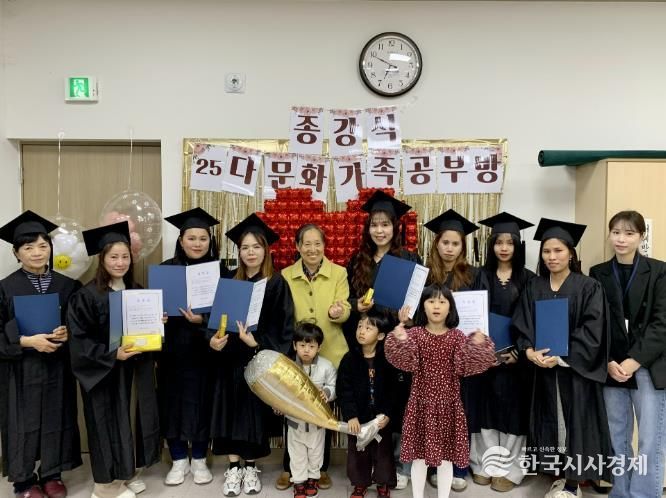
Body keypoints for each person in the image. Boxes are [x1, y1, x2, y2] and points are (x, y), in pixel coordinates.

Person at [512, 218, 613, 498]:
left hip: (575, 373)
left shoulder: (588, 287)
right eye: (546, 251)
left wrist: (562, 357)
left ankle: (572, 484)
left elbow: (593, 330)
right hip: (542, 371)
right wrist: (528, 351)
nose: (552, 256)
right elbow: (522, 325)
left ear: (571, 253)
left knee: (574, 424)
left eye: (558, 250)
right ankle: (560, 477)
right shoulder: (534, 286)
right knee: (552, 424)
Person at [68, 221, 161, 498]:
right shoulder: (87, 295)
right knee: (107, 421)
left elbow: (146, 334)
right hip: (105, 371)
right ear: (102, 259)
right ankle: (105, 486)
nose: (120, 262)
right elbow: (79, 341)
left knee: (130, 418)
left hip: (134, 368)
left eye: (125, 256)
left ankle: (127, 473)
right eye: (113, 257)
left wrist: (156, 323)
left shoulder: (137, 290)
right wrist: (112, 354)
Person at [209, 213, 295, 497]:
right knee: (229, 412)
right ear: (239, 251)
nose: (250, 252)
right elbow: (214, 318)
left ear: (265, 249)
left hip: (257, 359)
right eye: (245, 247)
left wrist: (256, 342)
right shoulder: (228, 280)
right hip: (228, 359)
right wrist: (214, 339)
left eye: (256, 246)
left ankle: (250, 466)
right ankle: (233, 468)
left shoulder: (276, 283)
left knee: (252, 415)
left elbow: (285, 327)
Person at [384, 284, 496, 498]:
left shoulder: (457, 337)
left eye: (442, 301)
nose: (436, 306)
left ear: (450, 308)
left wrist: (478, 345)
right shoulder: (415, 334)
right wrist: (400, 339)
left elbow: (466, 366)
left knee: (446, 458)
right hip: (420, 404)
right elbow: (404, 362)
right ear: (423, 306)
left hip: (449, 406)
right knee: (418, 458)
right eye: (431, 301)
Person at [0, 211, 82, 498]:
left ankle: (51, 473)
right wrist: (26, 341)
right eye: (28, 247)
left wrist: (68, 333)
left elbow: (80, 325)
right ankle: (23, 481)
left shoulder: (67, 285)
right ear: (16, 252)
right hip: (21, 370)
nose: (37, 252)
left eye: (43, 245)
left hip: (57, 365)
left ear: (50, 248)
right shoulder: (5, 288)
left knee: (56, 416)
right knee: (22, 422)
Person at [345, 190, 421, 490]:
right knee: (369, 401)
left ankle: (400, 464)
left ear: (395, 227)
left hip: (398, 341)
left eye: (385, 224)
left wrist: (408, 318)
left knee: (398, 402)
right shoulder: (358, 260)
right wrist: (357, 306)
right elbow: (349, 301)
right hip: (368, 344)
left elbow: (419, 302)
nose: (380, 230)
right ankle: (366, 467)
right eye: (374, 224)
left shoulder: (409, 259)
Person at [589, 210, 666, 498]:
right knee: (616, 437)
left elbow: (662, 324)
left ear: (641, 237)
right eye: (616, 232)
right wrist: (609, 360)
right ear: (609, 235)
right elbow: (596, 323)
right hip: (612, 366)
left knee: (650, 440)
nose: (621, 239)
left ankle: (644, 495)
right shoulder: (598, 273)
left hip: (647, 365)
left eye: (629, 233)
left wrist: (634, 361)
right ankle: (620, 493)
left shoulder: (659, 271)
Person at [158, 208, 229, 486]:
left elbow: (227, 313)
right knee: (172, 402)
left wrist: (203, 320)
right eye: (191, 238)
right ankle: (178, 459)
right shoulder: (165, 270)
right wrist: (158, 316)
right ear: (181, 240)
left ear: (210, 241)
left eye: (203, 238)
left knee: (203, 401)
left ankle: (199, 458)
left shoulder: (220, 272)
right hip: (173, 350)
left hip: (206, 350)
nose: (197, 243)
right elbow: (151, 311)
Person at [279, 223, 351, 490]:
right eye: (306, 244)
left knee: (323, 412)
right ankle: (290, 468)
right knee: (292, 411)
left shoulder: (339, 273)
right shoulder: (286, 275)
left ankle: (320, 469)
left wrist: (338, 312)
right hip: (298, 354)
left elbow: (345, 306)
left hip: (330, 352)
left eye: (317, 243)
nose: (312, 249)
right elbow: (283, 313)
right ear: (297, 246)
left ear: (324, 245)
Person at [467, 212, 535, 492]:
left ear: (518, 246)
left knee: (511, 411)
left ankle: (511, 469)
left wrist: (520, 350)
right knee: (484, 408)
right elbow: (469, 315)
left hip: (515, 360)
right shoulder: (478, 275)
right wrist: (479, 349)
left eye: (510, 242)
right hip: (483, 358)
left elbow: (532, 318)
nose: (504, 247)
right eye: (499, 242)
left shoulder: (529, 279)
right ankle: (482, 464)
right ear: (491, 245)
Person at [423, 209, 480, 491]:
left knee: (459, 412)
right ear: (437, 244)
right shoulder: (425, 275)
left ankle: (459, 468)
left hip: (460, 354)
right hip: (432, 354)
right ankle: (435, 465)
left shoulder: (473, 275)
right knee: (434, 413)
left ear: (462, 247)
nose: (449, 248)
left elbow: (479, 314)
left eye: (455, 243)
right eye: (445, 242)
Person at [337, 308, 399, 498]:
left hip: (381, 418)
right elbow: (344, 390)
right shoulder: (349, 359)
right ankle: (360, 484)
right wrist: (351, 416)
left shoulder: (388, 359)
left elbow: (394, 390)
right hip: (359, 418)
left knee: (383, 453)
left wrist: (387, 413)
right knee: (358, 452)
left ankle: (383, 483)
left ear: (380, 336)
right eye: (359, 326)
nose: (361, 331)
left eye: (368, 328)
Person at [285, 322, 337, 498]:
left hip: (317, 422)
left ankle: (312, 479)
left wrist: (327, 392)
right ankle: (299, 482)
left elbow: (333, 386)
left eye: (311, 346)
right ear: (295, 346)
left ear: (319, 347)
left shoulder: (326, 366)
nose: (306, 350)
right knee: (297, 454)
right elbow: (280, 389)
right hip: (295, 422)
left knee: (316, 453)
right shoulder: (288, 366)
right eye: (302, 345)